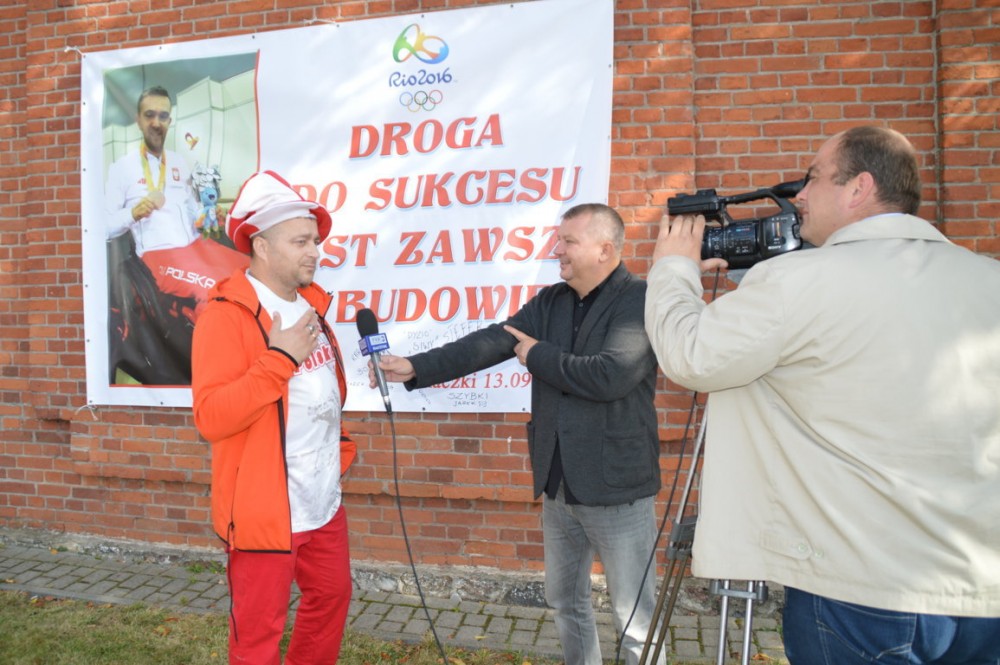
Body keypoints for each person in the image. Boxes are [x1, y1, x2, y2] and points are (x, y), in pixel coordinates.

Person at [644, 125, 1000, 664]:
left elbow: (690, 356)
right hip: (981, 586)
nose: (800, 195)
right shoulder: (988, 279)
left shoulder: (796, 282)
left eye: (812, 178)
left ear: (859, 188)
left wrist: (672, 267)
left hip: (859, 591)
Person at [373, 203, 667, 665]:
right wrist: (416, 366)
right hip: (558, 485)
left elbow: (610, 376)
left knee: (635, 619)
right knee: (565, 603)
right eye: (559, 240)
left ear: (605, 250)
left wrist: (537, 355)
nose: (558, 249)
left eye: (568, 241)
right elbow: (491, 341)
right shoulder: (551, 301)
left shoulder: (641, 299)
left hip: (617, 488)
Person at [191, 170, 357, 664]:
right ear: (261, 246)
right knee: (258, 635)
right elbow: (212, 418)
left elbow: (317, 394)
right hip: (264, 509)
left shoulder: (312, 307)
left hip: (322, 500)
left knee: (331, 599)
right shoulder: (226, 315)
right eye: (300, 241)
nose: (315, 251)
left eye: (315, 240)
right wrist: (279, 360)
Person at [105, 85, 247, 321]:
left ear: (169, 121)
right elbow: (104, 227)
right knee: (215, 293)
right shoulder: (121, 168)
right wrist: (133, 213)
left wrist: (208, 215)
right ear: (138, 120)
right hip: (158, 255)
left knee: (251, 271)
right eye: (149, 115)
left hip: (198, 246)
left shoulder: (179, 161)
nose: (156, 123)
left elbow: (192, 208)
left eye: (163, 116)